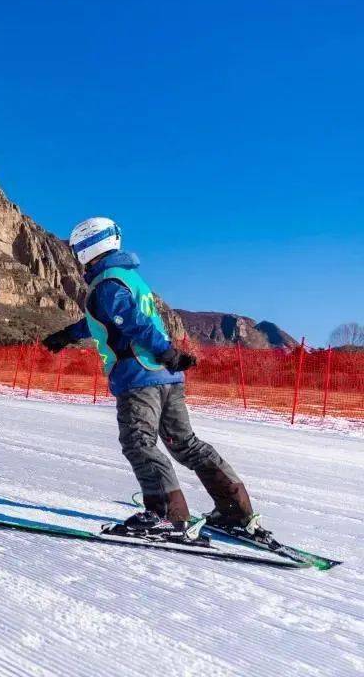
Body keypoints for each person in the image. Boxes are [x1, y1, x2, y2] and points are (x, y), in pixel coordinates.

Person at [40, 217, 259, 544]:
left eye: (76, 249)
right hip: (166, 377)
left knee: (138, 442)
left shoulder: (105, 285)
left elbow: (134, 324)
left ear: (87, 248)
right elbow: (106, 321)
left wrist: (167, 350)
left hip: (140, 377)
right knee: (185, 444)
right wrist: (66, 336)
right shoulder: (127, 279)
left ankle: (166, 516)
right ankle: (235, 511)